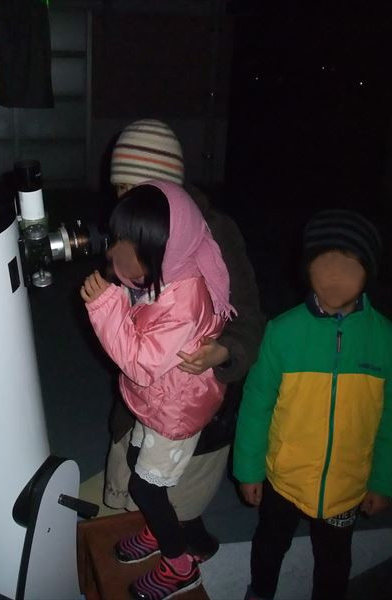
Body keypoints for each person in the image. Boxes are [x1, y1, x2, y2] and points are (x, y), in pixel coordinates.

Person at [233, 210, 392, 600]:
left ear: (368, 273)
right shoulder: (282, 332)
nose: (334, 277)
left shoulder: (388, 341)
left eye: (348, 266)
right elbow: (256, 404)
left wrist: (385, 482)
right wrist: (248, 469)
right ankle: (260, 592)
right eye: (323, 264)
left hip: (346, 485)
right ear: (306, 268)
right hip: (283, 478)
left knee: (334, 561)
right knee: (269, 544)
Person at [105, 118, 265, 560]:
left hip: (196, 399)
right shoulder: (135, 223)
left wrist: (225, 349)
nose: (122, 198)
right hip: (147, 388)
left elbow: (249, 315)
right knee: (141, 475)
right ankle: (157, 533)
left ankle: (190, 552)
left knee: (177, 499)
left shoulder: (214, 232)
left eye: (132, 188)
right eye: (119, 189)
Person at [81, 180, 235, 600]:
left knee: (146, 488)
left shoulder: (184, 301)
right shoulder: (164, 272)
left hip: (176, 410)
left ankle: (180, 566)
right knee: (137, 463)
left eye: (133, 249)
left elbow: (141, 364)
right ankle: (155, 529)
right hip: (157, 401)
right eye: (118, 240)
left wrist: (105, 307)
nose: (118, 255)